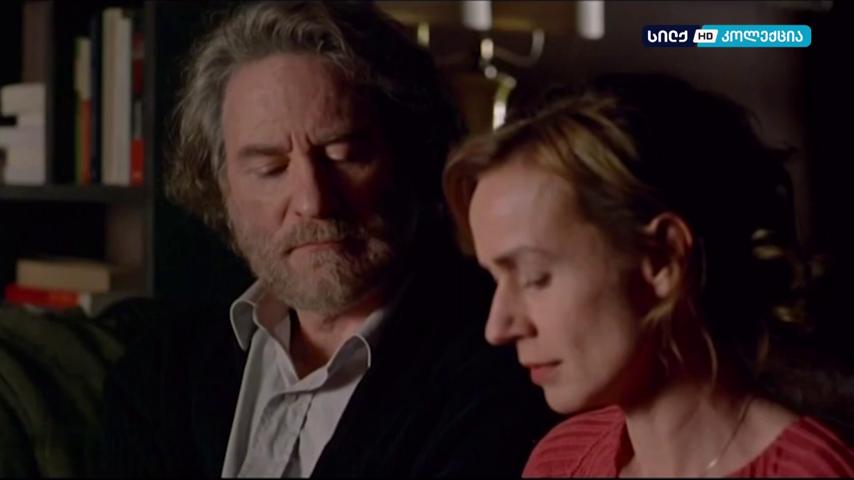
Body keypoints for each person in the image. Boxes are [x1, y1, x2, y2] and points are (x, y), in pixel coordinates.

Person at [99, 1, 557, 477]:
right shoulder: (156, 378)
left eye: (344, 155)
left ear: (411, 155)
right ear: (222, 190)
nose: (313, 201)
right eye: (270, 168)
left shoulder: (504, 368)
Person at [442, 73, 854, 477]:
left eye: (534, 277)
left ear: (663, 257)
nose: (498, 328)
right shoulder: (560, 462)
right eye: (495, 279)